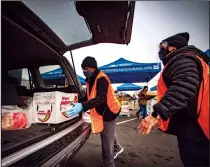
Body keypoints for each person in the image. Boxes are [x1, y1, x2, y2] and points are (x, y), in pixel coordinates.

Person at [138, 32, 209, 167]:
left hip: (196, 129)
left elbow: (184, 86)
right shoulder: (193, 60)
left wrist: (155, 114)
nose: (160, 51)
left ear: (171, 47)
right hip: (200, 125)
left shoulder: (182, 59)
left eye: (162, 47)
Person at [67, 56, 124, 167]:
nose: (84, 71)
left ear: (91, 68)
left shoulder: (101, 78)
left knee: (106, 137)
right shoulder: (90, 80)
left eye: (85, 69)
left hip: (110, 112)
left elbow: (101, 99)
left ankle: (108, 164)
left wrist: (82, 106)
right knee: (110, 133)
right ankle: (117, 147)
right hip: (103, 111)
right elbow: (88, 96)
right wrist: (78, 102)